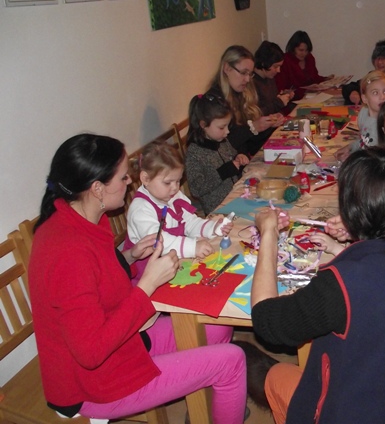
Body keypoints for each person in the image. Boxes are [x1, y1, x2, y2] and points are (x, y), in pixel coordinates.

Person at [28, 133, 247, 422]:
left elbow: (97, 278)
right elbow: (91, 352)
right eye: (122, 177)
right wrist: (146, 286)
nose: (130, 182)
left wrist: (130, 257)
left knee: (217, 329)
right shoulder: (67, 250)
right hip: (94, 383)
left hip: (125, 344)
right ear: (97, 188)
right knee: (232, 361)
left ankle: (205, 407)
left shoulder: (84, 217)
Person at [251, 147, 385, 424]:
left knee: (271, 373)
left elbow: (266, 320)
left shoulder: (344, 283)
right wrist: (364, 235)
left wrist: (268, 233)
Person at [125, 140, 235, 279]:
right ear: (145, 179)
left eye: (178, 181)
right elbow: (160, 242)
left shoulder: (172, 195)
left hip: (175, 263)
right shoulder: (140, 210)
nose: (175, 188)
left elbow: (189, 222)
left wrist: (212, 228)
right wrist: (193, 247)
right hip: (149, 275)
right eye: (168, 182)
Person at [207, 45, 284, 157]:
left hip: (243, 158)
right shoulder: (214, 102)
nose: (247, 79)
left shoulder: (240, 93)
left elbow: (248, 141)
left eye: (250, 74)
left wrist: (267, 124)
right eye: (243, 73)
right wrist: (253, 128)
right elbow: (220, 147)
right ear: (227, 68)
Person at [185, 93, 250, 214]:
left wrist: (239, 157)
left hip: (236, 198)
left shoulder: (221, 140)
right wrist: (222, 173)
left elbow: (232, 155)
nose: (227, 131)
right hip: (218, 210)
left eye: (228, 126)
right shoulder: (194, 153)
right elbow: (196, 189)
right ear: (203, 125)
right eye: (222, 127)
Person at [334, 70, 385, 162]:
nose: (382, 97)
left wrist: (352, 158)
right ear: (364, 98)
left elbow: (376, 157)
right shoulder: (364, 113)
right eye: (375, 93)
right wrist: (350, 147)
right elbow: (365, 141)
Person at [341, 39, 385, 105]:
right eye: (377, 58)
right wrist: (353, 92)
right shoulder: (374, 76)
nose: (379, 62)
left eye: (384, 58)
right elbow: (351, 86)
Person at [275, 31, 330, 99]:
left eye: (306, 50)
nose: (304, 53)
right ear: (293, 48)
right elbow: (281, 89)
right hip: (292, 99)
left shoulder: (309, 58)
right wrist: (305, 90)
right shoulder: (285, 61)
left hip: (310, 97)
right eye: (301, 50)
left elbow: (315, 77)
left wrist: (327, 80)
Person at [253, 40, 296, 116]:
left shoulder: (269, 77)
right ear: (264, 63)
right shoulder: (252, 83)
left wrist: (284, 95)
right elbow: (256, 114)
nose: (278, 70)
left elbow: (272, 103)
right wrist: (279, 102)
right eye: (275, 67)